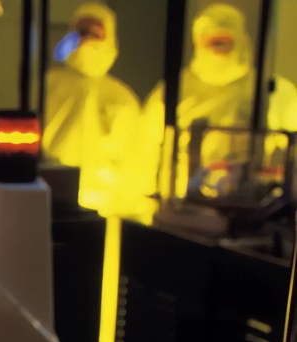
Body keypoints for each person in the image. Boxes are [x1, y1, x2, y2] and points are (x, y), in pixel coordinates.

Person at [140, 3, 297, 200]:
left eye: (224, 40)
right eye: (212, 40)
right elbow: (144, 155)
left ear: (240, 39)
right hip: (185, 204)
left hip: (253, 203)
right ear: (197, 41)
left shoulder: (273, 92)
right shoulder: (174, 92)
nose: (218, 47)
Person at [43, 2, 151, 219]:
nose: (86, 40)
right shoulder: (47, 86)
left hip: (106, 209)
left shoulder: (122, 99)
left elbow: (136, 166)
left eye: (94, 33)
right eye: (81, 32)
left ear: (109, 39)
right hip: (52, 202)